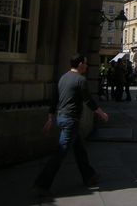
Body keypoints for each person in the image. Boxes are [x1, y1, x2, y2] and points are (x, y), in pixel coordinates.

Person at [33, 54, 109, 195]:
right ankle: (41, 184)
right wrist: (101, 113)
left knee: (79, 149)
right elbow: (88, 100)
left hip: (62, 117)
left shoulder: (63, 78)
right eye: (85, 63)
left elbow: (55, 98)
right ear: (80, 64)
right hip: (70, 120)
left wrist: (50, 117)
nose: (86, 65)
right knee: (60, 153)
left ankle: (89, 176)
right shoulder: (80, 80)